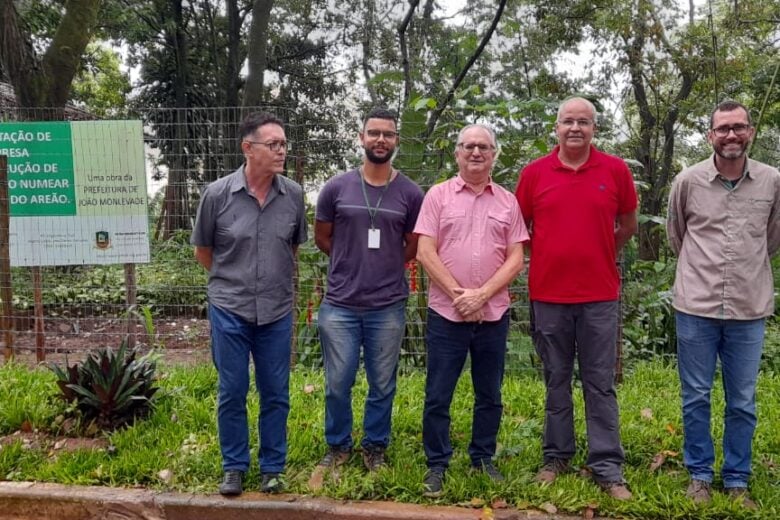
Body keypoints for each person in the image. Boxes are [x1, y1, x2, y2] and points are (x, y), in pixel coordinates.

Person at [515, 97, 638, 500]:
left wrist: (600, 251)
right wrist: (550, 254)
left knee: (600, 382)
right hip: (548, 295)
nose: (575, 128)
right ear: (556, 127)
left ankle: (607, 465)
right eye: (568, 121)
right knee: (556, 379)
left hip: (600, 295)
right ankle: (556, 456)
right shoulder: (534, 174)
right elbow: (521, 230)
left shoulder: (615, 171)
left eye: (583, 122)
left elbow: (627, 223)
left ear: (594, 129)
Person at [666, 100, 780, 509]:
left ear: (750, 131)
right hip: (696, 306)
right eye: (723, 128)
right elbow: (677, 236)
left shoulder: (772, 181)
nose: (731, 135)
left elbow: (771, 239)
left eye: (739, 127)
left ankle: (736, 479)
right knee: (695, 395)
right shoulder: (688, 181)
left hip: (749, 309)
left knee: (743, 399)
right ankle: (698, 475)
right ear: (710, 134)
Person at [192, 112, 307, 496]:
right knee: (232, 389)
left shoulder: (293, 195)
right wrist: (234, 281)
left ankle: (273, 467)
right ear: (248, 148)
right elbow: (204, 251)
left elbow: (291, 247)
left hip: (276, 310)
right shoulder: (217, 195)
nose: (281, 151)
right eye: (273, 144)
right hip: (230, 309)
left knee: (276, 391)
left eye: (284, 144)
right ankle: (234, 467)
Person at [309, 107, 424, 489]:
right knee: (337, 382)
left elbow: (412, 245)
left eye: (388, 134)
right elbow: (323, 237)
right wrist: (350, 263)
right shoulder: (336, 188)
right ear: (361, 138)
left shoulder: (410, 193)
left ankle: (375, 446)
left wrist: (384, 264)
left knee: (382, 383)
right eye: (373, 133)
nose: (380, 140)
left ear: (396, 141)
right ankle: (337, 446)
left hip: (387, 304)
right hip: (340, 303)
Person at [415, 123, 528, 497]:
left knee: (490, 393)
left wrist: (481, 296)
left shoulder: (508, 201)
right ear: (457, 153)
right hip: (446, 314)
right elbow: (424, 252)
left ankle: (482, 457)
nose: (476, 152)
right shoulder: (438, 196)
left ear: (494, 153)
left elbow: (516, 258)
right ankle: (437, 463)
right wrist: (460, 295)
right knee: (438, 393)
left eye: (483, 147)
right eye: (468, 146)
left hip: (493, 314)